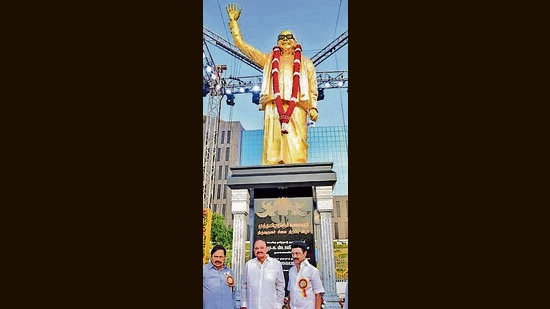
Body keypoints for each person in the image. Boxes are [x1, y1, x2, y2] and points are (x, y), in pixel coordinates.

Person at [226, 3, 319, 165]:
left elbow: (312, 86)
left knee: (297, 147)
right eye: (281, 38)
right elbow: (245, 48)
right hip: (273, 106)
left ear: (295, 41)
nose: (285, 40)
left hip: (296, 106)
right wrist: (235, 25)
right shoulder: (269, 59)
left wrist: (313, 107)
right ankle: (272, 169)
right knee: (273, 146)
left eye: (288, 37)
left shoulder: (306, 63)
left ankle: (297, 170)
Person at [240, 239, 285, 309]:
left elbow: (280, 286)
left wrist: (278, 305)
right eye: (256, 248)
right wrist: (244, 304)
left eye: (262, 248)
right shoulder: (249, 265)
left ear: (267, 249)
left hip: (270, 306)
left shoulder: (276, 264)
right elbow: (244, 285)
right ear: (254, 250)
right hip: (252, 306)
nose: (259, 250)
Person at [287, 241, 325, 309]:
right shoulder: (291, 270)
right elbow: (290, 292)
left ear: (305, 253)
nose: (294, 256)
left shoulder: (312, 271)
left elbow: (318, 295)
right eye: (292, 254)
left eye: (297, 253)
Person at [203, 245, 238, 309]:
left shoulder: (229, 272)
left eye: (221, 257)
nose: (218, 259)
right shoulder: (204, 270)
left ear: (225, 258)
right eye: (215, 256)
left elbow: (233, 292)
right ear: (211, 257)